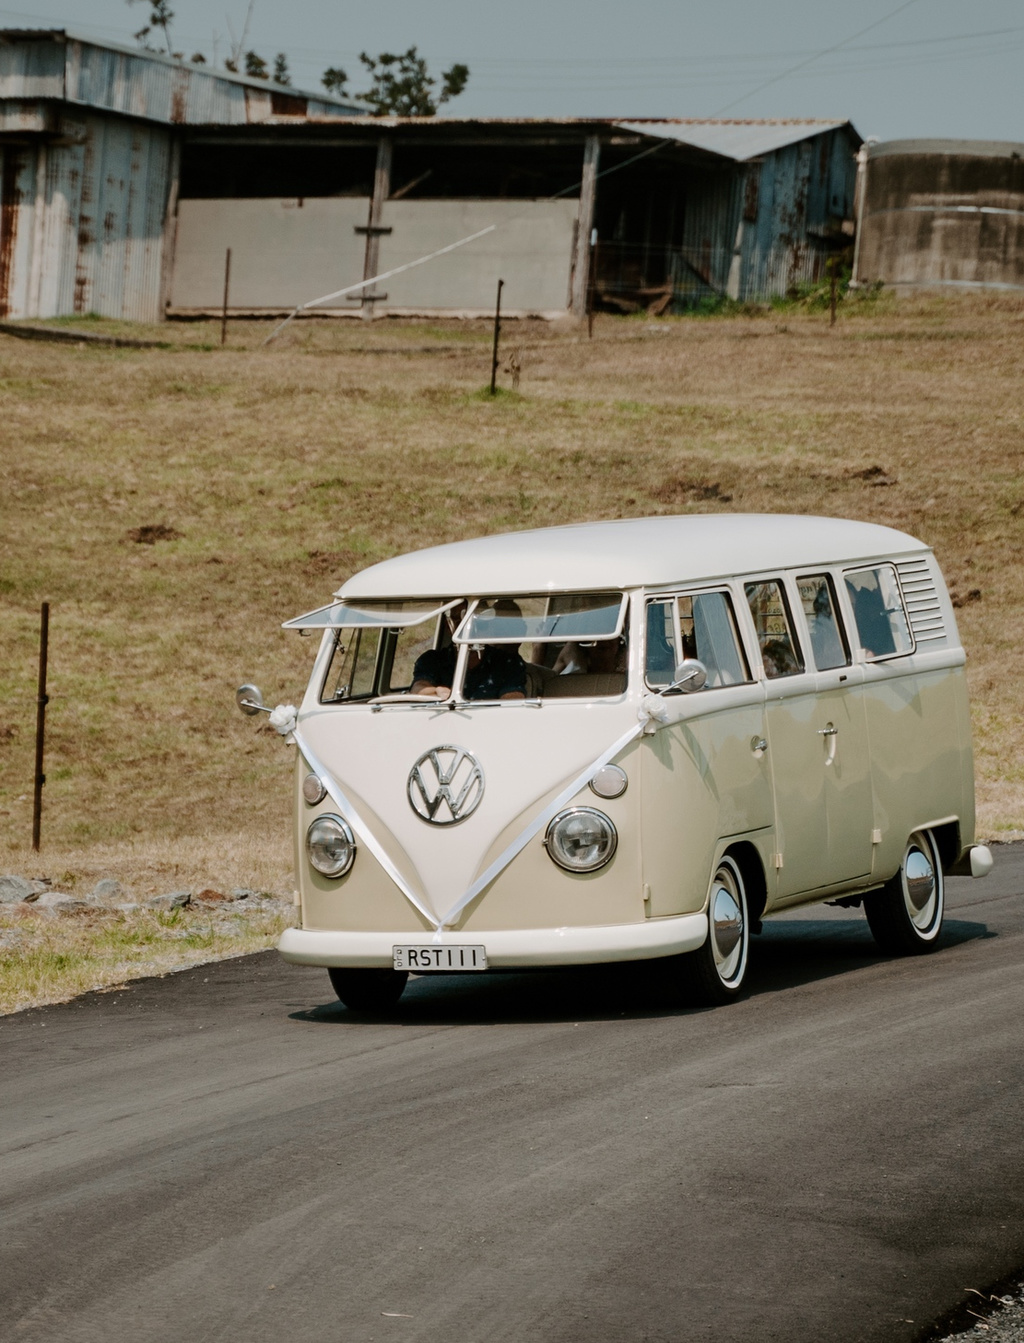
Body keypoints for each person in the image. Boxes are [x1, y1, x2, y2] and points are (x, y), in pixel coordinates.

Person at [411, 600, 527, 701]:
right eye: (460, 623)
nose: (470, 630)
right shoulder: (432, 660)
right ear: (448, 626)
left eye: (479, 623)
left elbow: (512, 702)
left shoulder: (508, 663)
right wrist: (436, 692)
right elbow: (418, 689)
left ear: (488, 624)